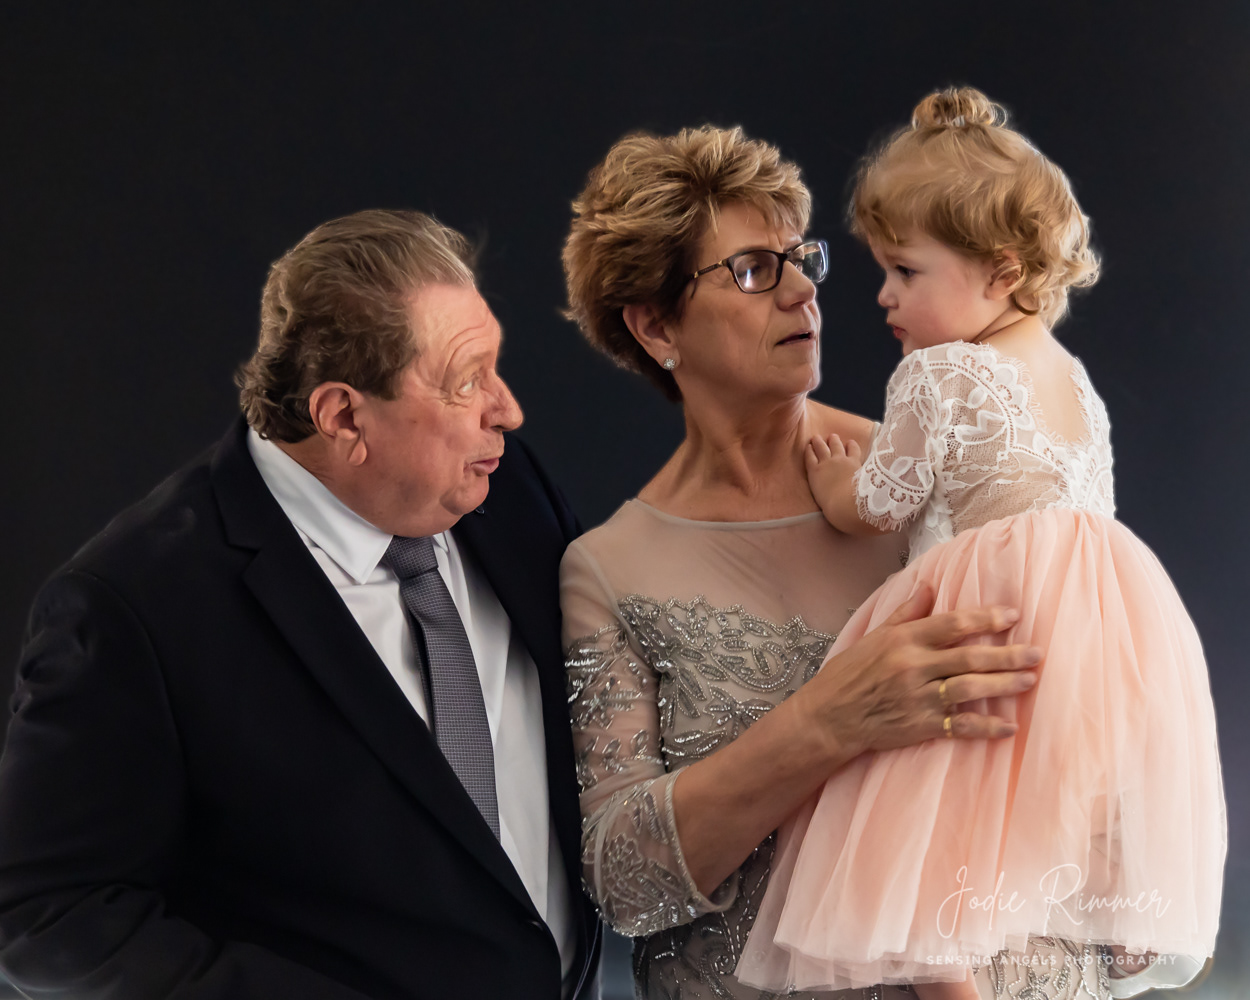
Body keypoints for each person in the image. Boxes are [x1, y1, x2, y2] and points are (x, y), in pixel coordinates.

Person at [557, 125, 1121, 1000]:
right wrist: (824, 722)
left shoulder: (941, 469)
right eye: (754, 270)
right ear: (655, 324)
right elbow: (624, 887)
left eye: (802, 259)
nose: (802, 293)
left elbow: (1086, 681)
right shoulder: (607, 568)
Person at [0, 210, 600, 999]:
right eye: (466, 380)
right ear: (343, 416)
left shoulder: (507, 487)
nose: (508, 410)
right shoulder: (133, 607)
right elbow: (46, 916)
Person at [735, 89, 1225, 999]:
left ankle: (946, 971)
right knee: (1063, 781)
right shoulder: (1076, 381)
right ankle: (1110, 908)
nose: (883, 295)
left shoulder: (940, 371)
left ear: (1000, 272)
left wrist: (834, 477)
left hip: (987, 621)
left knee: (928, 787)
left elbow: (882, 502)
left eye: (905, 271)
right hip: (1098, 626)